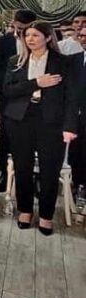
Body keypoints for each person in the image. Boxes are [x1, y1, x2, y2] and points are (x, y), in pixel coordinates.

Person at [2, 21, 78, 235]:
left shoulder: (63, 62)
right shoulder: (16, 61)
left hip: (51, 121)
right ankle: (25, 210)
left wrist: (70, 126)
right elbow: (7, 90)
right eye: (27, 35)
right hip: (20, 119)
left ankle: (46, 215)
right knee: (22, 167)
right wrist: (36, 83)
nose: (30, 39)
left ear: (48, 37)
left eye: (35, 35)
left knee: (50, 170)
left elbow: (72, 98)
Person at [0, 9, 37, 191]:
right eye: (17, 28)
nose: (20, 32)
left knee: (33, 139)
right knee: (6, 137)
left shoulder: (40, 40)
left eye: (24, 28)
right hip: (8, 97)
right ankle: (4, 173)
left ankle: (33, 177)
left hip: (35, 98)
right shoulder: (4, 42)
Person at [70, 26, 86, 193]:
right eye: (81, 36)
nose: (83, 39)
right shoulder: (74, 60)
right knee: (77, 153)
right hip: (77, 116)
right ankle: (78, 185)